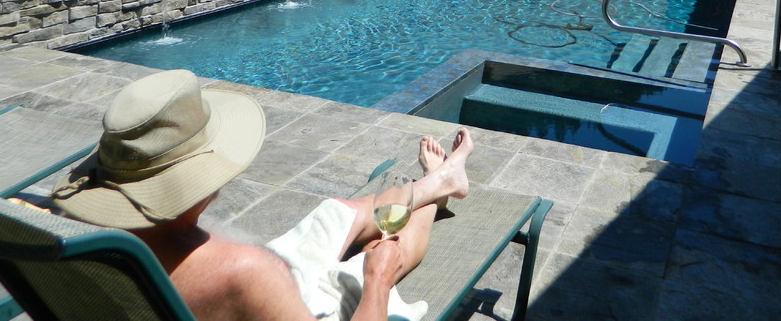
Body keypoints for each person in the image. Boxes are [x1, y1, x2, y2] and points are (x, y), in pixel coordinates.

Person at [51, 69, 474, 321]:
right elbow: (252, 283)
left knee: (337, 211)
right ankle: (438, 191)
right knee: (377, 254)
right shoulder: (243, 272)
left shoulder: (68, 240)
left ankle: (438, 182)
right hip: (268, 302)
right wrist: (377, 282)